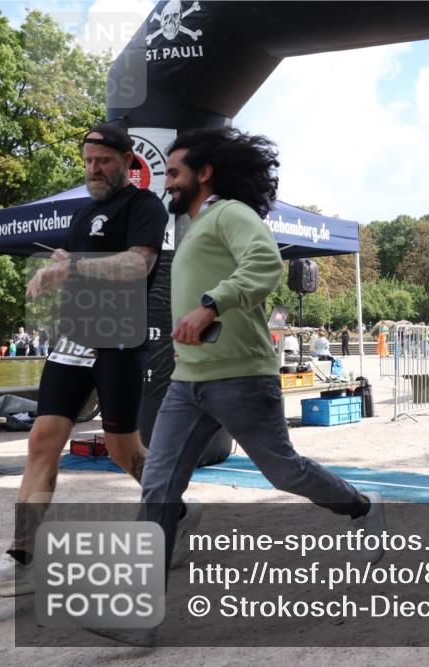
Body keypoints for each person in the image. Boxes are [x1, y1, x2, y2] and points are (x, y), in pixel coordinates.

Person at [128, 129, 384, 646]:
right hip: (187, 382)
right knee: (158, 485)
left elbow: (266, 265)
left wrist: (210, 305)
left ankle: (361, 508)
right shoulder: (195, 225)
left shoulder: (230, 214)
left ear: (204, 174)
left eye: (174, 172)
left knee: (284, 470)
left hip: (241, 376)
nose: (168, 181)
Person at [0, 123, 200, 598]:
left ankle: (178, 511)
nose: (93, 168)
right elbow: (79, 259)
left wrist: (75, 265)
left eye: (103, 160)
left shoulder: (144, 205)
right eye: (88, 160)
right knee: (42, 441)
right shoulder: (84, 210)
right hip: (74, 338)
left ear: (127, 161)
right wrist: (55, 267)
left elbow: (138, 264)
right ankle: (22, 556)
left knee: (121, 449)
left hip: (120, 340)